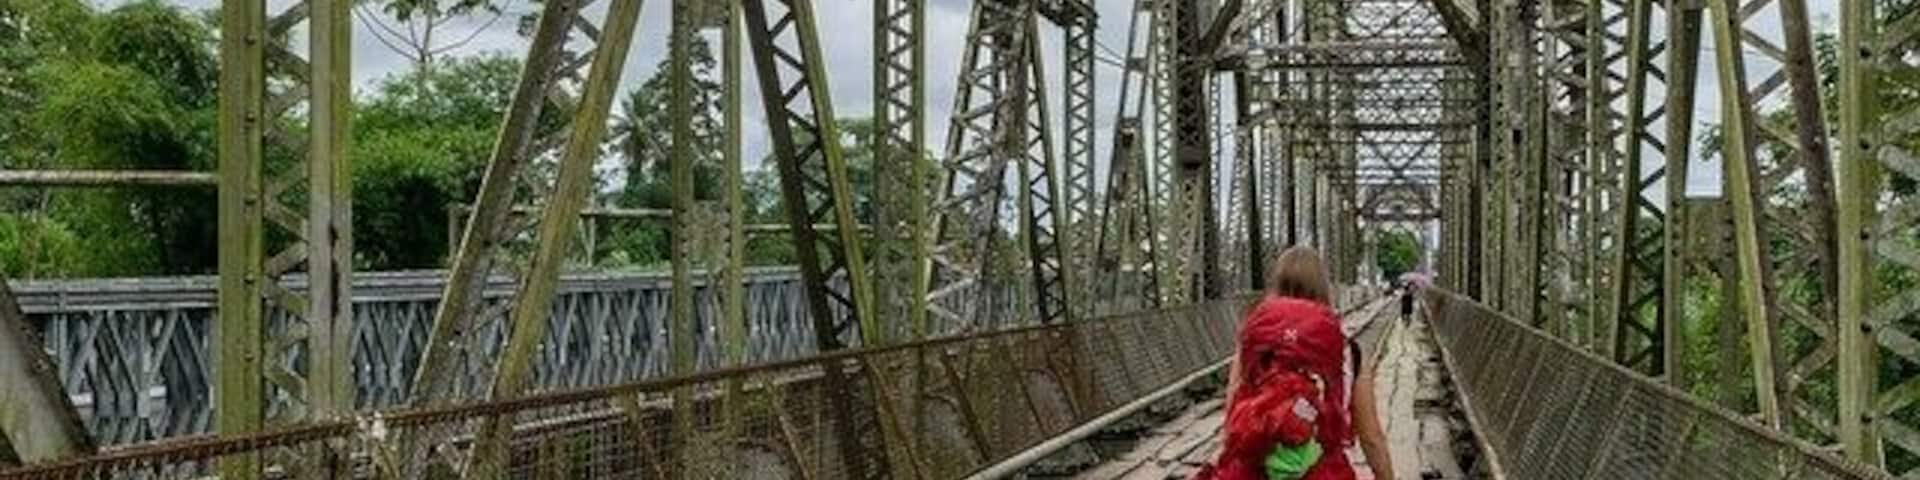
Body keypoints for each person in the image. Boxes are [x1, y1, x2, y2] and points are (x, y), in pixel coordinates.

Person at [1198, 246, 1393, 480]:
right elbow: (1371, 439)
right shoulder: (1348, 351)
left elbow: (1233, 415)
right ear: (1324, 288)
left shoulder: (1252, 345)